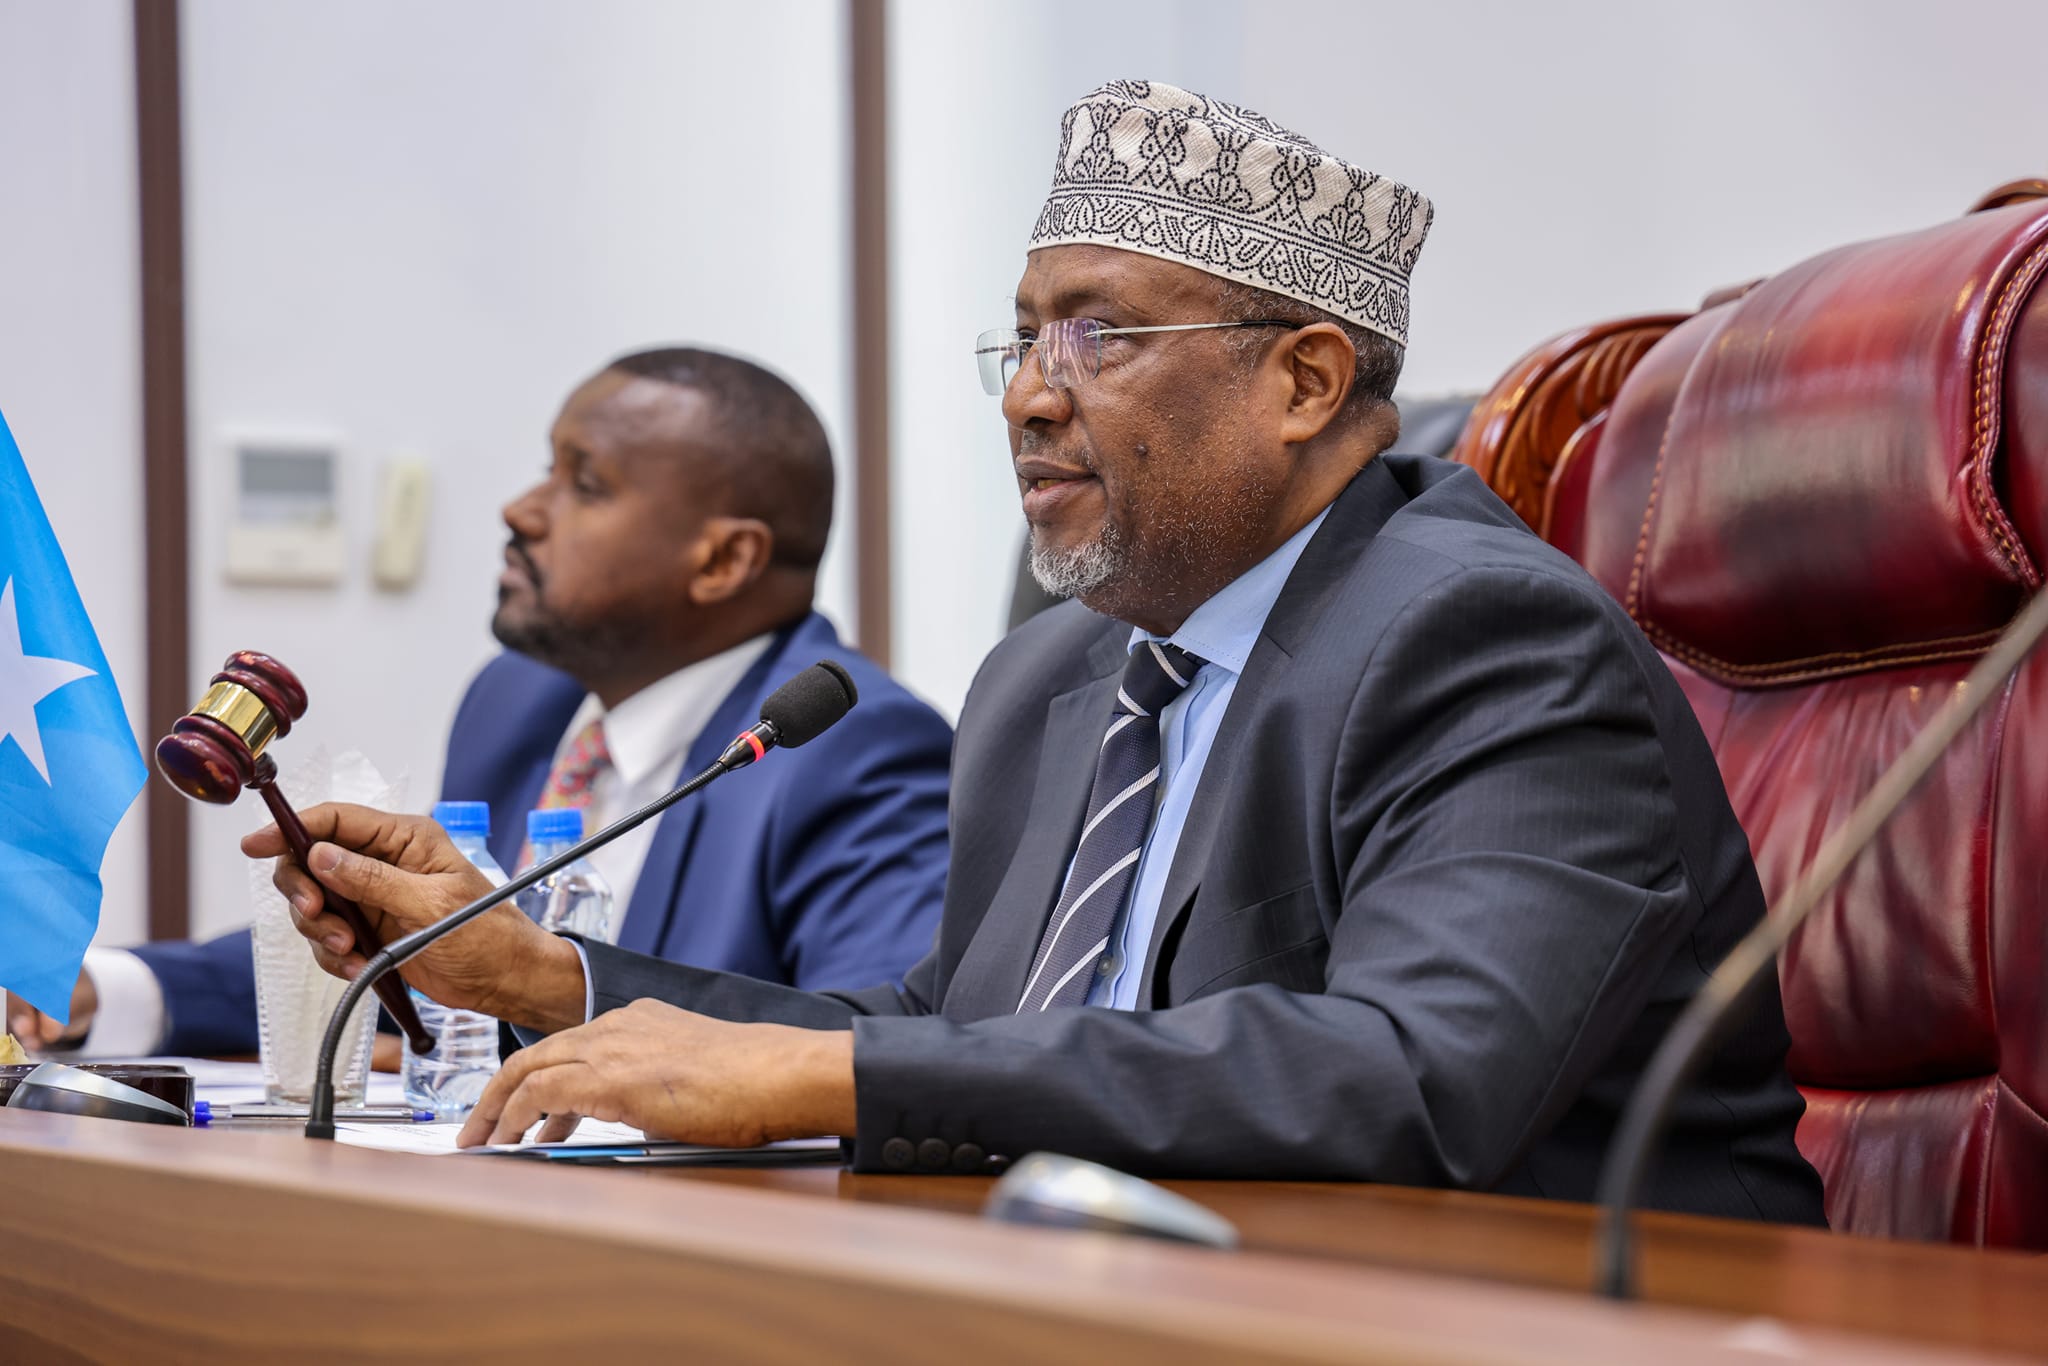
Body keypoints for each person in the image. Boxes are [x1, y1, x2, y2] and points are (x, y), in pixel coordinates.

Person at [254, 82, 1825, 1222]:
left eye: (1102, 335)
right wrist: (544, 974)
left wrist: (841, 1083)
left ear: (1303, 381)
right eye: (1021, 339)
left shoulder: (1484, 639)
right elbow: (956, 1038)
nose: (1027, 393)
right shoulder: (1052, 682)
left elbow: (1408, 1073)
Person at [10, 346, 951, 1058]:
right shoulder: (520, 703)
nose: (522, 509)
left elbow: (864, 1049)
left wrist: (543, 1000)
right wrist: (97, 986)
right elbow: (421, 959)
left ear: (724, 560)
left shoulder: (848, 747)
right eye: (548, 469)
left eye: (584, 485)